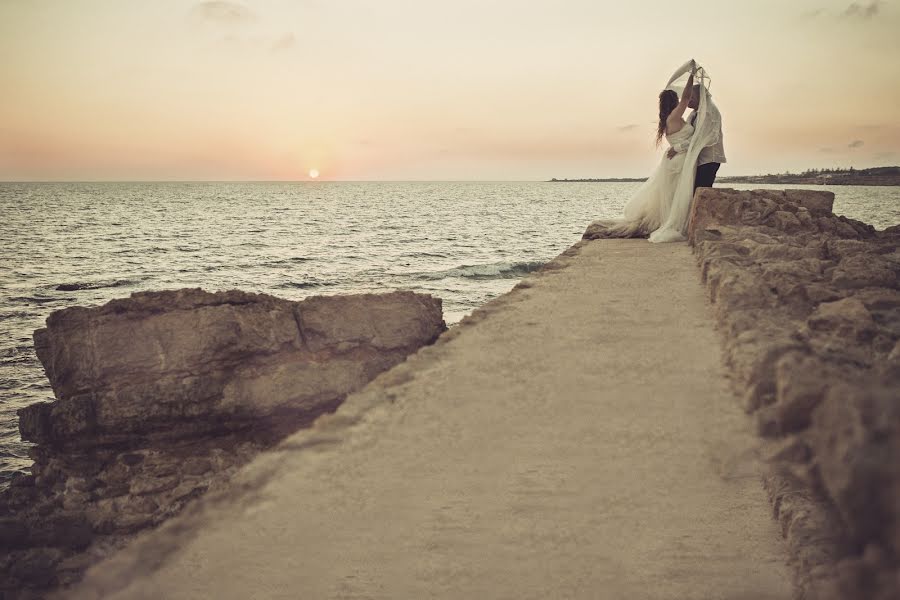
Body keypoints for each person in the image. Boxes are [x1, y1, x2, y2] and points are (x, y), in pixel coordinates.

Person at [595, 60, 722, 243]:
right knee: (679, 195)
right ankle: (675, 224)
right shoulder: (675, 116)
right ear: (674, 103)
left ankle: (676, 222)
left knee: (675, 195)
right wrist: (691, 76)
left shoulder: (669, 120)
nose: (682, 102)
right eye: (678, 101)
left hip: (678, 159)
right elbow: (686, 99)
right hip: (679, 160)